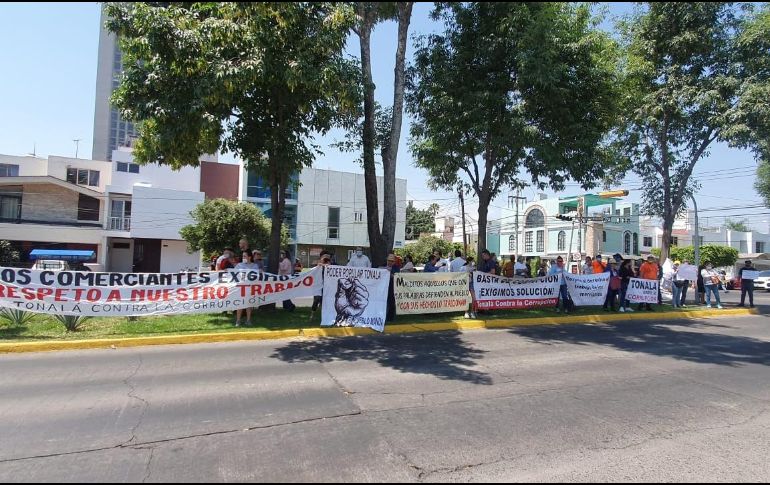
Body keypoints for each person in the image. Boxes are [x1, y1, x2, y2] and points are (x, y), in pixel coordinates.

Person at [234, 252, 259, 326]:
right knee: (240, 304)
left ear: (249, 257)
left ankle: (248, 320)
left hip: (250, 288)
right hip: (241, 287)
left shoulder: (255, 266)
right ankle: (238, 321)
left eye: (245, 256)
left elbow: (257, 276)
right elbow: (233, 273)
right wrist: (227, 270)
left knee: (249, 304)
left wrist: (259, 272)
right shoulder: (239, 265)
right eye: (242, 256)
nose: (243, 257)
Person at [309, 253, 332, 321]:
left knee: (325, 301)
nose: (325, 259)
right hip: (318, 286)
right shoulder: (318, 264)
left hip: (326, 286)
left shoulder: (329, 264)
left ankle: (325, 316)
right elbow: (315, 266)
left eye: (327, 258)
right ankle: (312, 315)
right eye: (324, 257)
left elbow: (330, 267)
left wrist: (326, 264)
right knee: (316, 300)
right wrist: (321, 263)